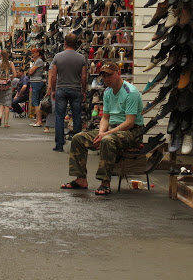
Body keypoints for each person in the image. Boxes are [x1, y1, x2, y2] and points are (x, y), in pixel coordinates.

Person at [60, 63, 144, 195]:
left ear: (118, 73)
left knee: (107, 140)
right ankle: (80, 179)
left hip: (131, 132)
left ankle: (105, 182)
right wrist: (100, 133)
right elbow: (105, 117)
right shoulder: (108, 92)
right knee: (78, 138)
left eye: (109, 75)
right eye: (104, 76)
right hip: (113, 128)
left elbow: (129, 122)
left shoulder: (130, 92)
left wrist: (106, 134)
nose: (106, 79)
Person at [48, 33, 87, 152]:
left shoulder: (57, 57)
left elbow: (54, 75)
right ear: (76, 44)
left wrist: (53, 89)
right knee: (77, 117)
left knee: (59, 117)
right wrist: (83, 91)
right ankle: (78, 146)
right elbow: (84, 77)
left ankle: (59, 145)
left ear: (65, 43)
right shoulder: (81, 58)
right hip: (76, 89)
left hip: (61, 89)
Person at [0, 49, 16, 128]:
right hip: (8, 84)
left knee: (2, 101)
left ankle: (0, 116)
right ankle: (6, 122)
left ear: (1, 55)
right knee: (7, 103)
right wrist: (9, 77)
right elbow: (15, 74)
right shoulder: (11, 63)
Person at [27, 48, 46, 127]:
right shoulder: (37, 61)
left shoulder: (39, 61)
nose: (32, 54)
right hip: (36, 82)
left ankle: (39, 121)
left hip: (36, 82)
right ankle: (38, 120)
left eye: (34, 52)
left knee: (35, 101)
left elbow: (31, 72)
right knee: (37, 101)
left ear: (38, 53)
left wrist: (30, 70)